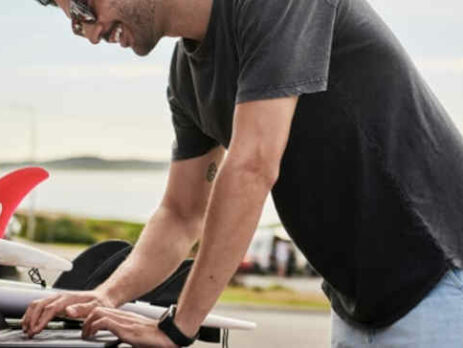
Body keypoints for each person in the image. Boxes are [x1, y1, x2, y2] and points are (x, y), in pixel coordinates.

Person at [22, 0, 463, 346]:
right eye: (77, 26)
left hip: (441, 276)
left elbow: (253, 165)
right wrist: (107, 293)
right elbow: (180, 215)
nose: (92, 33)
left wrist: (178, 327)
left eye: (83, 10)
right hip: (360, 303)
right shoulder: (185, 78)